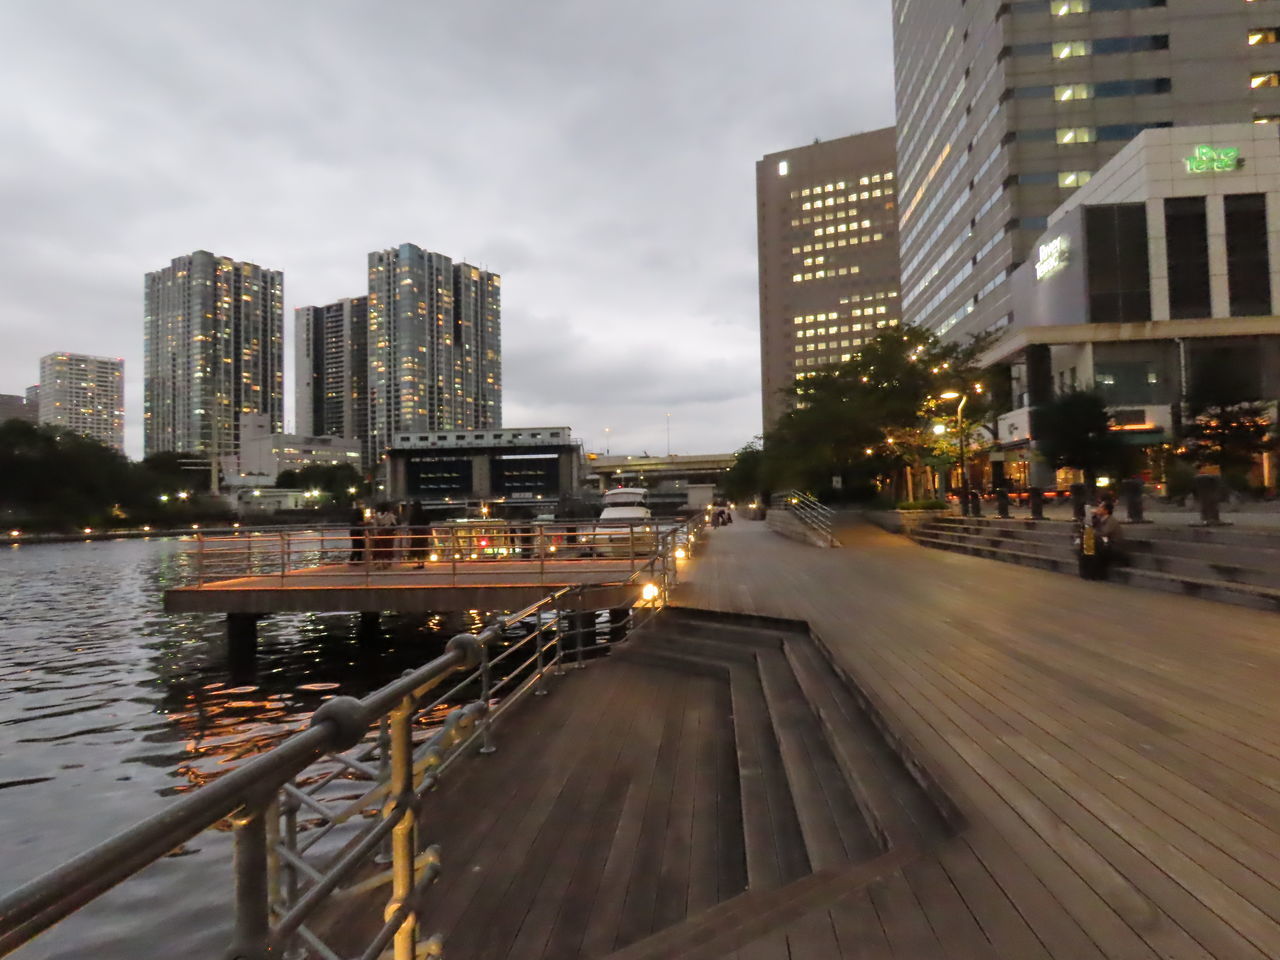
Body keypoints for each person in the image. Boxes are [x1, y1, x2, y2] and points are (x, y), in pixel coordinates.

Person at [372, 502, 399, 568]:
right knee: (386, 547)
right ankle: (385, 562)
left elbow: (374, 525)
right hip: (387, 533)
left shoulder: (376, 516)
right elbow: (394, 524)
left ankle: (380, 563)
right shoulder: (390, 515)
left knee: (381, 548)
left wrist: (375, 533)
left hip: (381, 532)